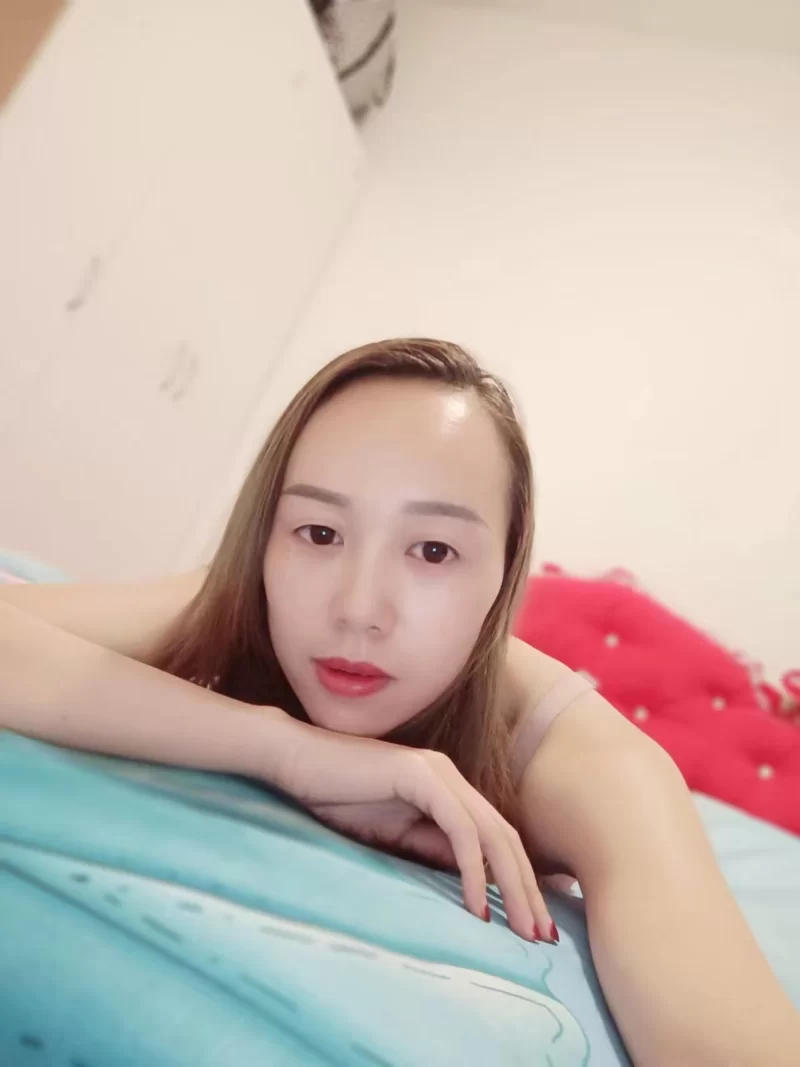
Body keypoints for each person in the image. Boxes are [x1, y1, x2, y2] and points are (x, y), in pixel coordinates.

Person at [1, 338, 797, 1066]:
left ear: (505, 574)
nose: (359, 609)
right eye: (319, 533)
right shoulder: (239, 606)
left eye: (434, 550)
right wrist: (283, 747)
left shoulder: (597, 765)